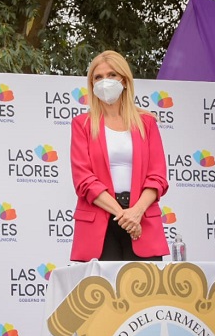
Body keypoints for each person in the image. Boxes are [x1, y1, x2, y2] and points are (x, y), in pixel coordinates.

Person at [70, 50, 169, 262]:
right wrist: (123, 215)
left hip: (142, 220)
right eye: (98, 77)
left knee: (145, 292)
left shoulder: (147, 124)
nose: (105, 81)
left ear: (124, 80)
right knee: (102, 293)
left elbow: (157, 177)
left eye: (112, 75)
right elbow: (84, 180)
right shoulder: (82, 125)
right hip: (99, 224)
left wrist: (136, 212)